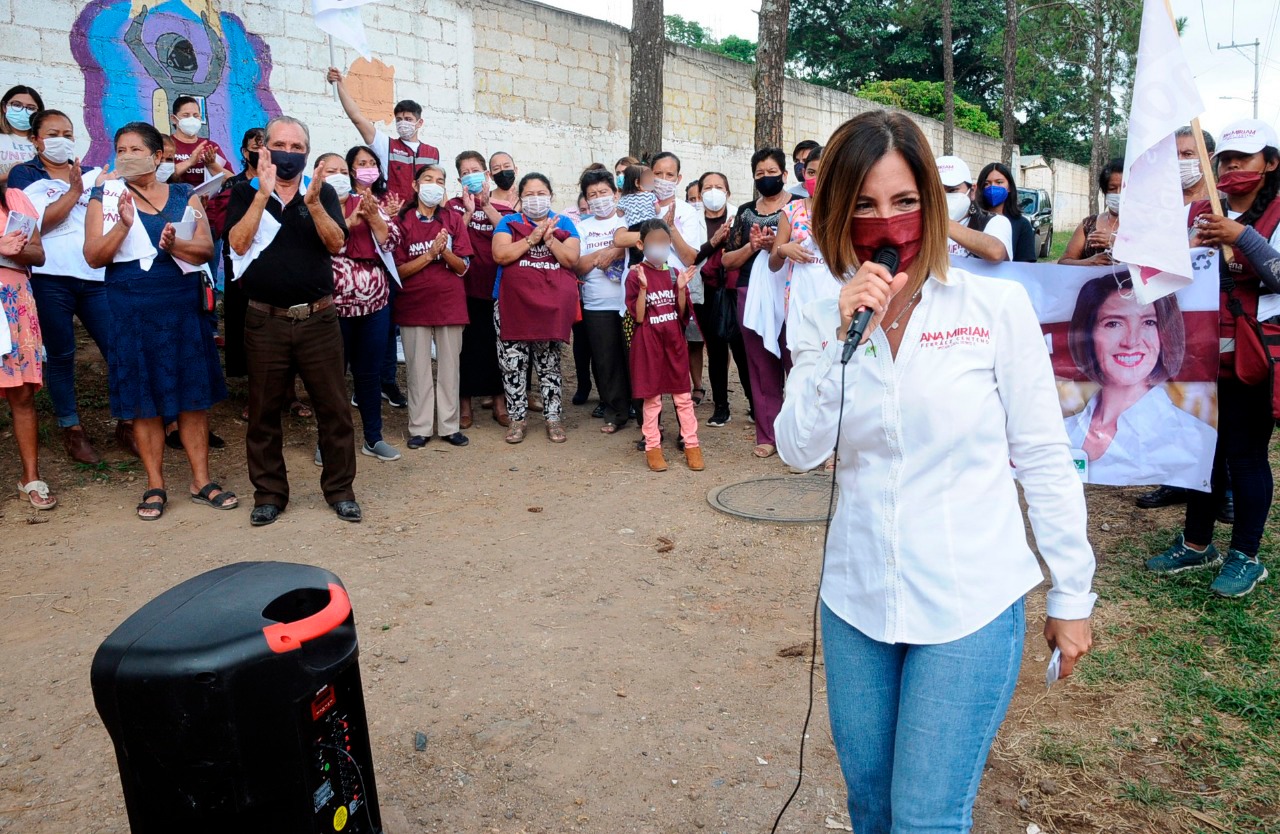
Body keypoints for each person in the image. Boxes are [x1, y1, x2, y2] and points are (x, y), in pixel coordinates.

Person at [776, 110, 1095, 833]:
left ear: (933, 202)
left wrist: (1072, 590)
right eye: (862, 205)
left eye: (904, 202)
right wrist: (838, 343)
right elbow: (797, 449)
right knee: (873, 808)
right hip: (857, 599)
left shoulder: (993, 306)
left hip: (968, 603)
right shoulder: (820, 303)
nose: (886, 225)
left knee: (924, 817)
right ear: (835, 211)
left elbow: (1043, 455)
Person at [1148, 118, 1280, 598]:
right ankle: (1197, 542)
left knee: (1245, 456)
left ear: (1270, 163)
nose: (1231, 167)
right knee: (1200, 450)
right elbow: (1165, 273)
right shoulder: (1200, 211)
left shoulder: (1277, 213)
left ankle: (1246, 554)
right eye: (1224, 159)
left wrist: (1240, 238)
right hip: (1200, 354)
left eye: (1243, 159)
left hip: (1251, 356)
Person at [83, 121, 236, 520]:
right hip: (131, 308)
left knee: (192, 397)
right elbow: (94, 256)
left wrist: (175, 244)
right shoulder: (106, 195)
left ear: (157, 156)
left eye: (136, 148)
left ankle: (201, 480)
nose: (127, 155)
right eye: (121, 148)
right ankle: (155, 483)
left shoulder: (184, 194)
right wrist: (124, 225)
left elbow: (204, 248)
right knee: (143, 401)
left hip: (181, 306)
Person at [226, 115, 360, 526]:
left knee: (334, 411)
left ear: (306, 153)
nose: (289, 153)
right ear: (264, 148)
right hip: (264, 322)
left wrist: (315, 204)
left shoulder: (319, 194)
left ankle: (340, 490)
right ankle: (269, 494)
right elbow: (237, 242)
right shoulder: (244, 192)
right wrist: (261, 194)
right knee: (263, 413)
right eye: (280, 144)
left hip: (319, 321)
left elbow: (337, 243)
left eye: (298, 147)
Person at [8, 109, 128, 464]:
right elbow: (33, 227)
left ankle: (127, 422)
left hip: (94, 276)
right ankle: (72, 430)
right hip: (48, 279)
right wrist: (76, 191)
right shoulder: (24, 175)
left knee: (118, 349)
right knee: (61, 356)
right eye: (53, 133)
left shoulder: (92, 172)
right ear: (35, 140)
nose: (62, 139)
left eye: (68, 133)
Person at [1136, 128, 1222, 514]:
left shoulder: (1223, 208)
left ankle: (1224, 489)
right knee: (1173, 397)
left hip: (1216, 321)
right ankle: (1175, 479)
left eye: (1190, 154)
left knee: (1214, 404)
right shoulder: (1162, 209)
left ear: (1208, 157)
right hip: (1169, 317)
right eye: (1177, 156)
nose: (1183, 163)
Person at [1062, 275, 1215, 485]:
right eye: (1113, 323)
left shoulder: (1192, 437)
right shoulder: (1062, 432)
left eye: (1149, 322)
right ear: (1088, 333)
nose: (1131, 341)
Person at [313, 148, 401, 462]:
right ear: (317, 176)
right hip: (332, 309)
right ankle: (328, 442)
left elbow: (391, 242)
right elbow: (319, 244)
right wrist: (351, 220)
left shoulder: (366, 201)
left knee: (369, 374)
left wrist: (375, 216)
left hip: (375, 306)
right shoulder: (311, 207)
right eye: (329, 171)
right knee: (332, 376)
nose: (338, 176)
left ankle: (373, 438)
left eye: (341, 170)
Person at [491, 173, 580, 443]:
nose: (536, 199)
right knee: (513, 364)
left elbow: (572, 259)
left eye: (541, 193)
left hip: (550, 307)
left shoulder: (564, 222)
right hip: (512, 305)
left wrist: (551, 240)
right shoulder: (509, 222)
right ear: (520, 197)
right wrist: (532, 238)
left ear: (551, 195)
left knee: (550, 364)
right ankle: (517, 419)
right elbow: (501, 255)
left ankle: (553, 419)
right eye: (529, 194)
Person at [393, 164, 473, 449]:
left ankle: (449, 427)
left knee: (450, 368)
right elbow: (398, 270)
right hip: (413, 305)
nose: (434, 185)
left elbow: (463, 267)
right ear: (415, 186)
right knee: (417, 369)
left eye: (440, 181)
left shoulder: (452, 219)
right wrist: (429, 255)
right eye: (428, 179)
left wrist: (445, 251)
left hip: (450, 305)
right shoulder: (401, 221)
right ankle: (420, 428)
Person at [722, 147, 795, 457]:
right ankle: (768, 436)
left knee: (799, 362)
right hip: (750, 292)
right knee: (761, 365)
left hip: (793, 292)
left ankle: (803, 437)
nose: (767, 178)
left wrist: (778, 246)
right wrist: (754, 247)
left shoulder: (800, 208)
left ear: (785, 174)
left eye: (772, 172)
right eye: (760, 174)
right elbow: (727, 260)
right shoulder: (745, 211)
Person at [626, 219, 703, 472]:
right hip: (648, 344)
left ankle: (692, 445)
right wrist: (644, 289)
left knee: (683, 397)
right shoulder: (635, 274)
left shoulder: (674, 273)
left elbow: (681, 314)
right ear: (641, 244)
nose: (659, 246)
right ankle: (653, 447)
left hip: (674, 343)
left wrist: (681, 289)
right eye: (653, 242)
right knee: (652, 399)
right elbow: (638, 317)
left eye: (664, 241)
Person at [0, 179, 55, 509]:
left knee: (21, 393)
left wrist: (16, 249)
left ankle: (31, 478)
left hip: (16, 303)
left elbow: (38, 254)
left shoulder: (16, 198)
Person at [449, 150, 513, 429]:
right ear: (459, 178)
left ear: (486, 174)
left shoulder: (503, 206)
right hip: (463, 288)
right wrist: (468, 213)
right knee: (466, 349)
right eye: (465, 172)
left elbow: (511, 232)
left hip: (496, 288)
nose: (470, 175)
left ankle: (499, 401)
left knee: (495, 346)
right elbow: (450, 239)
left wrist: (486, 206)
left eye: (475, 169)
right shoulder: (452, 206)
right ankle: (465, 405)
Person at [326, 66, 440, 205]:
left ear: (419, 123)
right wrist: (340, 84)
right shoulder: (386, 145)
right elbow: (357, 118)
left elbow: (439, 187)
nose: (403, 123)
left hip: (424, 217)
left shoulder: (433, 152)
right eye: (399, 120)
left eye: (408, 119)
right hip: (395, 215)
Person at [573, 168, 631, 433]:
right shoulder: (581, 227)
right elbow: (579, 265)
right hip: (597, 304)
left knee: (634, 358)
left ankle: (642, 411)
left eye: (603, 192)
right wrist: (607, 252)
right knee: (606, 361)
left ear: (615, 193)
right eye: (592, 194)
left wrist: (617, 249)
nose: (598, 198)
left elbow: (641, 243)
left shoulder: (628, 220)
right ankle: (615, 412)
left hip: (631, 302)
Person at [692, 171, 751, 428]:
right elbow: (690, 256)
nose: (713, 192)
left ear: (728, 192)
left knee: (741, 350)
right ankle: (720, 407)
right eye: (707, 187)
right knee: (715, 352)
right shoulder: (692, 220)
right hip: (705, 293)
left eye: (719, 186)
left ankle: (754, 404)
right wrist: (715, 242)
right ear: (699, 192)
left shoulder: (740, 216)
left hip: (735, 289)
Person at [208, 127, 265, 382]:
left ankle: (287, 392)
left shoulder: (282, 182)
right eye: (256, 147)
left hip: (273, 264)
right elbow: (223, 227)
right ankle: (251, 388)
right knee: (243, 321)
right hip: (240, 266)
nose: (262, 152)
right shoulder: (233, 184)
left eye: (266, 146)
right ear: (245, 152)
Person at [936, 155, 1011, 262]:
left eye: (952, 190)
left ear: (972, 191)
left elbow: (996, 252)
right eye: (936, 192)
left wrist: (941, 221)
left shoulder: (994, 222)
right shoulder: (920, 225)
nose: (943, 198)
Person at [1059, 158, 1124, 266]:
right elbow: (1063, 262)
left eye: (1124, 188)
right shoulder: (1089, 225)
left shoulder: (1146, 224)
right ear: (1104, 192)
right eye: (1112, 188)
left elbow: (1156, 258)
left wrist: (1118, 242)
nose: (1118, 194)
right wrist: (1089, 262)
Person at [975, 162, 1037, 262]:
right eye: (987, 184)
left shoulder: (1022, 225)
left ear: (1009, 187)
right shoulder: (973, 220)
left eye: (999, 182)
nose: (992, 187)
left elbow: (1026, 265)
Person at [169, 95, 230, 187]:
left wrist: (212, 164)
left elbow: (232, 181)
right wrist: (189, 162)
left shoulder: (210, 146)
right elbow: (158, 178)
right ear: (174, 119)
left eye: (196, 115)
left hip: (208, 200)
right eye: (186, 115)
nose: (192, 119)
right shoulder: (166, 144)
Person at [0, 86, 41, 181]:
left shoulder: (42, 141)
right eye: (17, 105)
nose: (23, 111)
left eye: (31, 108)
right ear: (4, 107)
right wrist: (9, 175)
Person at [1176, 126, 1216, 206]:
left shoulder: (1223, 200)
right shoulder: (1160, 198)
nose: (1179, 160)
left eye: (1187, 154)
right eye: (1175, 155)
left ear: (1209, 159)